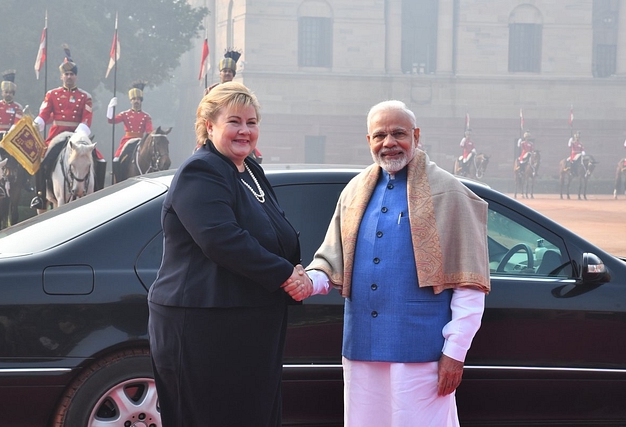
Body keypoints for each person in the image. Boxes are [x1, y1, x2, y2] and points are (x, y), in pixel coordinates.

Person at [301, 100, 490, 426]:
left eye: (398, 133)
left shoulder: (449, 193)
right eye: (380, 135)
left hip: (422, 352)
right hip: (362, 347)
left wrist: (455, 354)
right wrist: (305, 281)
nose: (389, 143)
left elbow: (469, 284)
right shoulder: (354, 191)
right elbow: (330, 263)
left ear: (416, 135)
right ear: (369, 141)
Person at [148, 81, 311, 426]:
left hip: (248, 327)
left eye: (251, 123)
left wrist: (296, 268)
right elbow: (221, 239)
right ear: (210, 126)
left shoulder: (250, 170)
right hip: (204, 329)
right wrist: (284, 274)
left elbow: (272, 232)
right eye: (234, 121)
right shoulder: (202, 170)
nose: (245, 131)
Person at [31, 46, 105, 210]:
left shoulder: (85, 97)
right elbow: (44, 113)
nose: (69, 77)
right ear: (61, 76)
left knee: (100, 160)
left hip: (77, 136)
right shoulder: (52, 94)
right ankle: (40, 196)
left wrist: (78, 136)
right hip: (57, 136)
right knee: (43, 161)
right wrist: (37, 123)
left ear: (76, 76)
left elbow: (87, 119)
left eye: (72, 74)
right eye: (66, 74)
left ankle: (98, 193)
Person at [106, 80, 153, 162]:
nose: (136, 101)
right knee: (116, 159)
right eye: (134, 99)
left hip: (140, 140)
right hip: (127, 140)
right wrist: (110, 107)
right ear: (131, 101)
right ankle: (117, 174)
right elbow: (111, 120)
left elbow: (149, 131)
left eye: (138, 99)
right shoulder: (125, 114)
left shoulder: (146, 116)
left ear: (141, 101)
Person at [0, 70, 23, 135]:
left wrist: (10, 132)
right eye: (6, 92)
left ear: (13, 94)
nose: (8, 94)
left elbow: (17, 122)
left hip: (11, 134)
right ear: (2, 93)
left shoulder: (18, 107)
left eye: (10, 93)